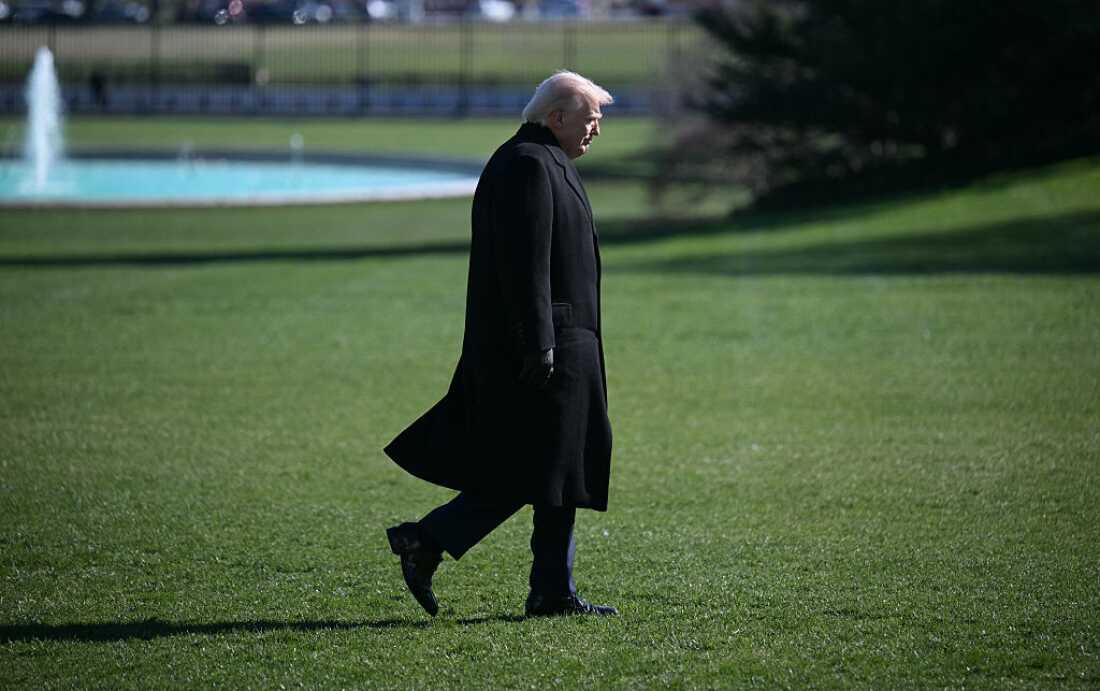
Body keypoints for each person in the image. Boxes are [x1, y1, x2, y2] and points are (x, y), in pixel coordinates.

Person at [383, 71, 617, 618]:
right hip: (547, 347)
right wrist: (539, 347)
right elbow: (525, 267)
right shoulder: (528, 165)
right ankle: (428, 540)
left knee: (558, 472)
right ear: (556, 117)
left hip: (568, 342)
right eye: (590, 119)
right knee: (537, 469)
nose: (596, 131)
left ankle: (551, 590)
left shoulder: (545, 160)